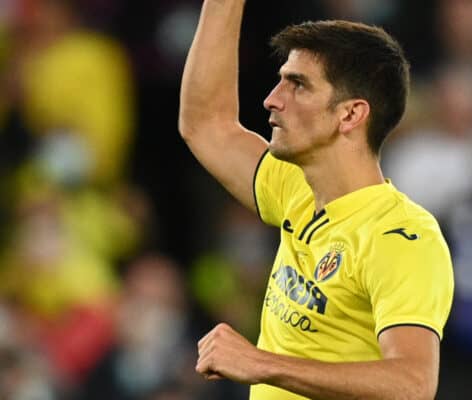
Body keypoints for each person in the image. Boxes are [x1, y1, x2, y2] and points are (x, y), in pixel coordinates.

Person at [178, 1, 454, 399]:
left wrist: (261, 363)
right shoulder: (296, 188)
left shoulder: (401, 237)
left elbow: (412, 385)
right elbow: (206, 122)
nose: (272, 99)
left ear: (350, 115)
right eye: (280, 81)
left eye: (298, 84)